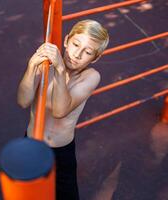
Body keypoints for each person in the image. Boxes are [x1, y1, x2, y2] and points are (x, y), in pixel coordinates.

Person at [17, 19, 109, 199]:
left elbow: (60, 111)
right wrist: (31, 67)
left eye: (88, 52)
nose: (77, 54)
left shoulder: (90, 77)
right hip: (32, 142)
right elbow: (23, 101)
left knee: (66, 195)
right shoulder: (46, 65)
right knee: (29, 193)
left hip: (59, 151)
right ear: (66, 40)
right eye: (75, 44)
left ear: (95, 58)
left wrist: (59, 70)